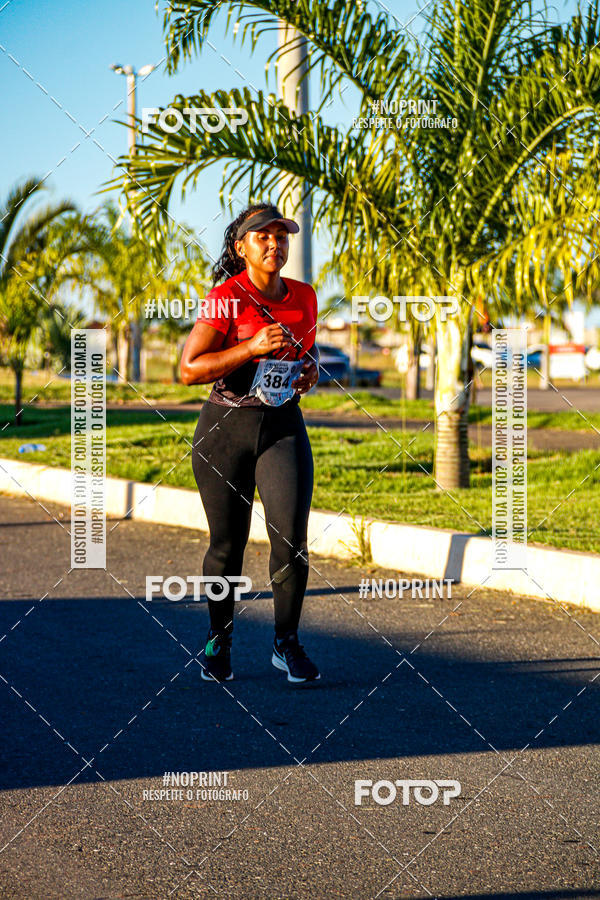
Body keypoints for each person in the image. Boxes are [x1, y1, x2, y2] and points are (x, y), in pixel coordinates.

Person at [181, 203, 321, 684]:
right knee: (227, 544)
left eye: (281, 236)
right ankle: (219, 640)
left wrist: (309, 373)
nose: (274, 244)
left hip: (282, 426)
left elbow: (310, 358)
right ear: (241, 248)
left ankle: (286, 643)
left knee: (291, 539)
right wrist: (250, 348)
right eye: (263, 237)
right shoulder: (225, 298)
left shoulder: (304, 296)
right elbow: (188, 369)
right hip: (226, 430)